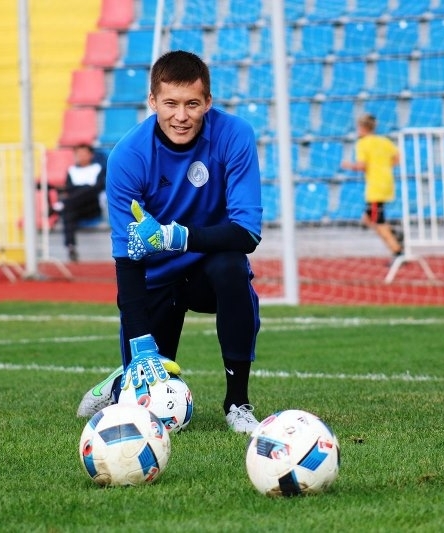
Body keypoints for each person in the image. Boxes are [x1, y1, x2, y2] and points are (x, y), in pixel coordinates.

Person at [76, 50, 264, 434]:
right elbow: (127, 260)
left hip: (206, 268)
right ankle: (120, 381)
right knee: (147, 403)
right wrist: (140, 341)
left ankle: (237, 403)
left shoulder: (235, 134)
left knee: (231, 267)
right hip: (154, 278)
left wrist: (175, 236)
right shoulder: (128, 156)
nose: (181, 116)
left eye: (192, 103)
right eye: (170, 104)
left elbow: (247, 233)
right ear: (152, 101)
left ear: (208, 102)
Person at [340, 113, 404, 262]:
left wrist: (348, 165)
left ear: (362, 128)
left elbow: (362, 166)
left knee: (378, 222)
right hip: (387, 182)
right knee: (367, 218)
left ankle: (397, 251)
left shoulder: (363, 143)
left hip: (375, 187)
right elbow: (398, 158)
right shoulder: (384, 141)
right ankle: (395, 233)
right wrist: (384, 166)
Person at [52, 144, 107, 262]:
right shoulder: (71, 171)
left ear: (91, 155)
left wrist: (82, 188)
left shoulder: (98, 168)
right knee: (68, 212)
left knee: (87, 190)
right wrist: (84, 187)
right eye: (78, 154)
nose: (81, 156)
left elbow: (98, 187)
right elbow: (69, 189)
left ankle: (60, 206)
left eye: (84, 154)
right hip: (75, 207)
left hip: (92, 206)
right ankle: (71, 246)